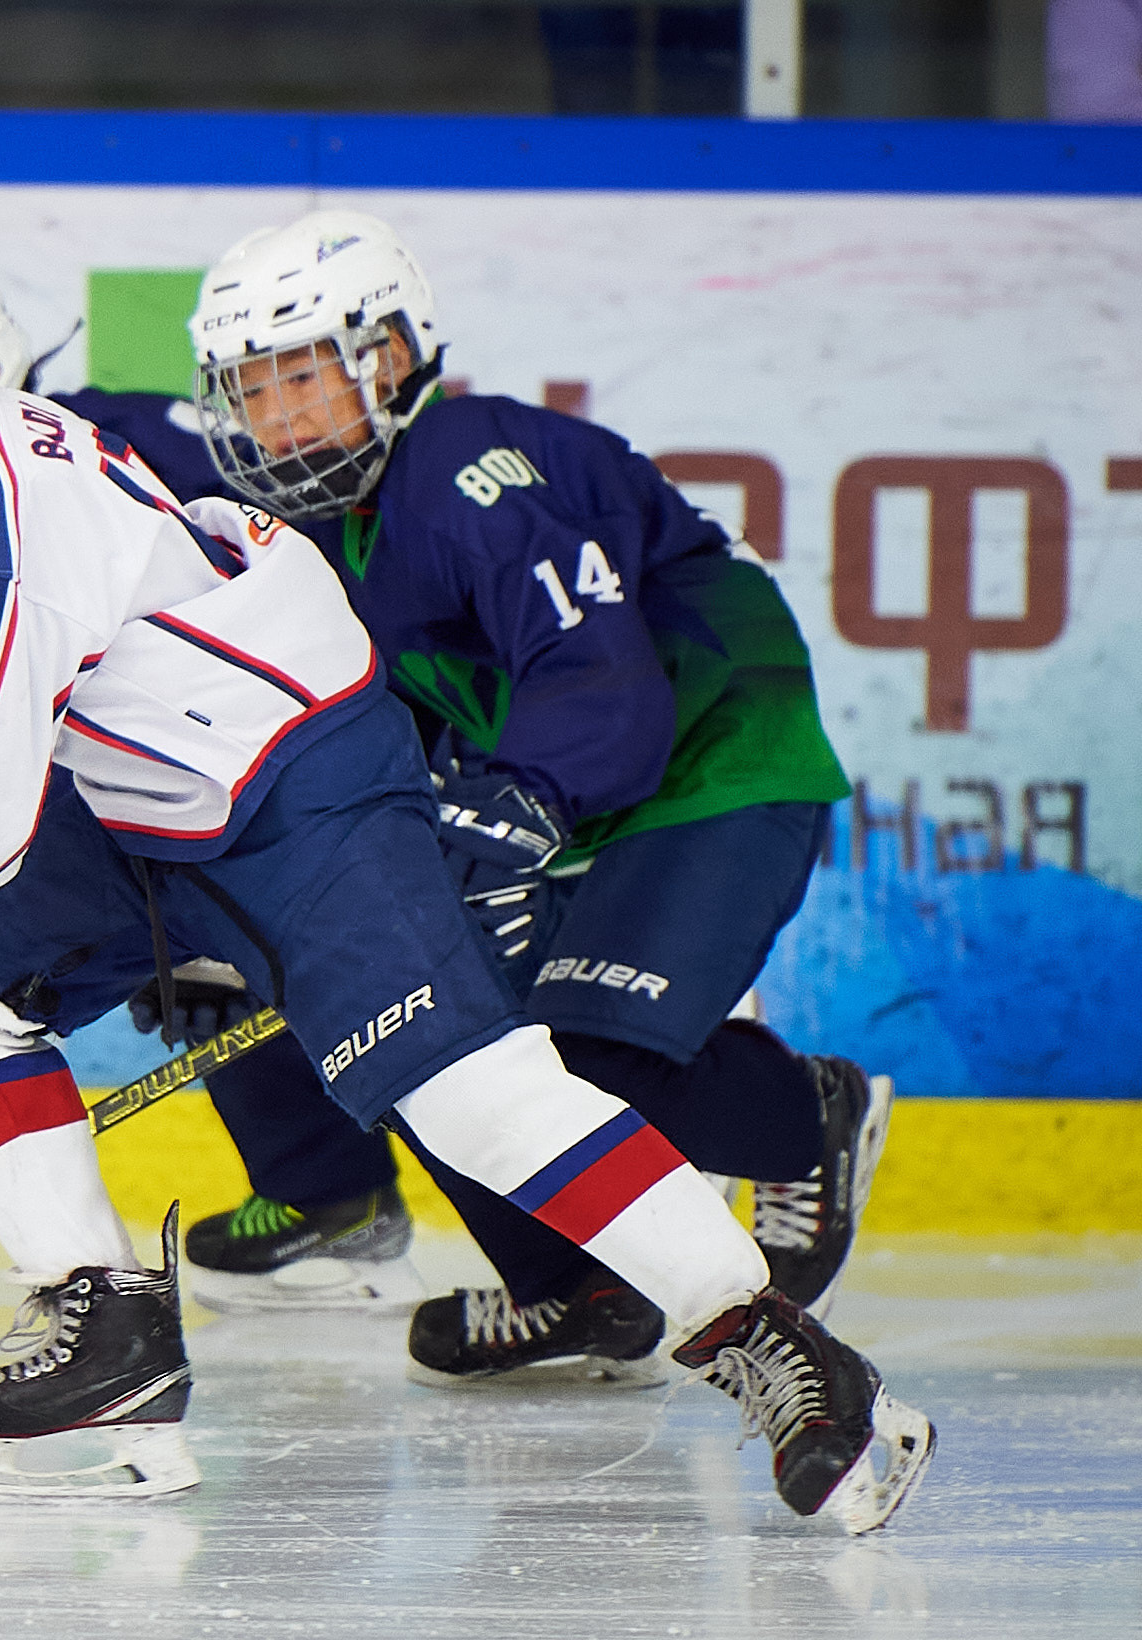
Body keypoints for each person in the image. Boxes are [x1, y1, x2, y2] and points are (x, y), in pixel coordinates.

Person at [0, 243, 933, 1531]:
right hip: (149, 807)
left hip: (299, 793)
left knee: (470, 1096)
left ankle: (767, 1336)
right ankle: (106, 1331)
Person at [176, 211, 895, 1390]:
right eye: (251, 388)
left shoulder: (465, 463)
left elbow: (602, 677)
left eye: (300, 375)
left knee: (604, 1060)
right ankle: (577, 1283)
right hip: (578, 777)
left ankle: (805, 1111)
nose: (275, 415)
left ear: (390, 359)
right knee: (423, 1025)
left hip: (710, 759)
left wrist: (514, 803)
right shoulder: (335, 529)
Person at [0, 264, 423, 1310]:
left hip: (290, 740)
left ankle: (345, 1198)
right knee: (200, 962)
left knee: (280, 960)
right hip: (262, 739)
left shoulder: (58, 456)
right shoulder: (53, 455)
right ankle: (331, 1195)